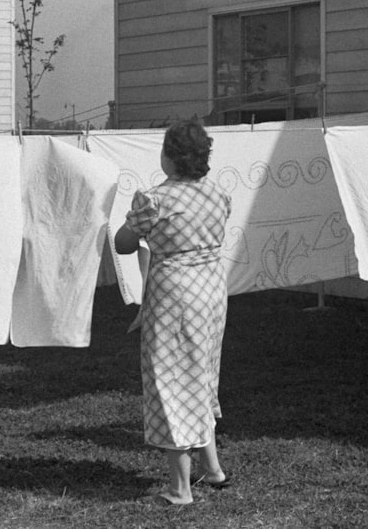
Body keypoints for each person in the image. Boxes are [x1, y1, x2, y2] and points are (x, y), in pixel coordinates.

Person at [114, 119, 233, 506]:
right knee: (201, 374)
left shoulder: (155, 200)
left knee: (172, 379)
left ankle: (180, 489)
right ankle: (212, 468)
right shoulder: (217, 193)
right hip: (212, 290)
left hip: (175, 295)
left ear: (170, 156)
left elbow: (123, 244)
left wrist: (131, 220)